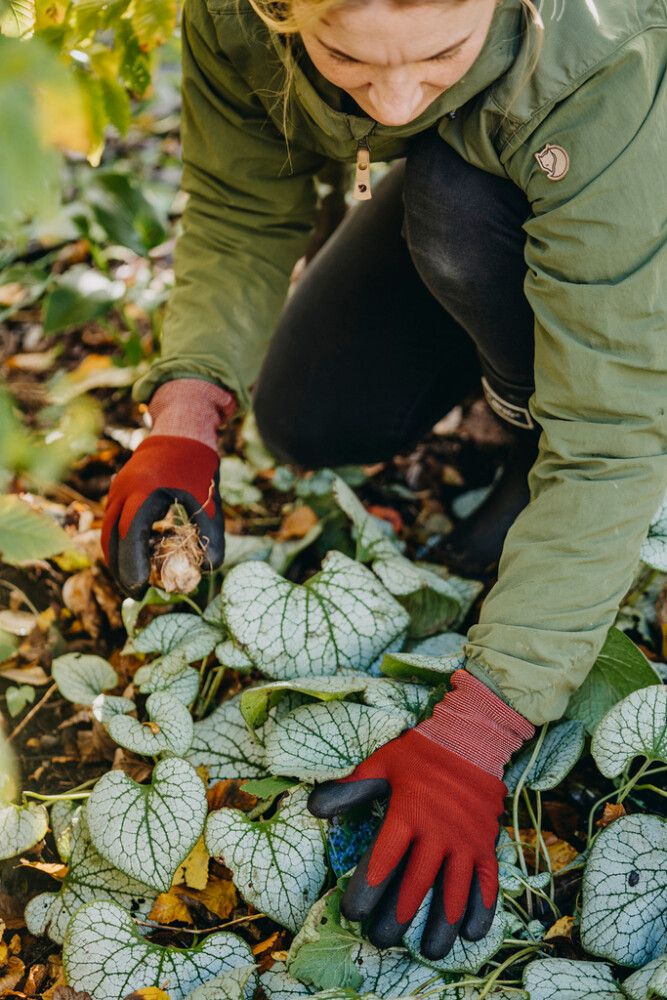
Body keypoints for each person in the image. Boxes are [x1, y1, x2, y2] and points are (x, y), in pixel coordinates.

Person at [101, 0, 667, 961]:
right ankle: (510, 368)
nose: (396, 96)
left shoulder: (603, 46)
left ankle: (533, 445)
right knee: (312, 415)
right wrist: (186, 416)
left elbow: (611, 436)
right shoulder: (236, 21)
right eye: (347, 58)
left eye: (442, 51)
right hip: (488, 179)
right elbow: (239, 213)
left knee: (453, 197)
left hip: (633, 213)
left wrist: (480, 732)